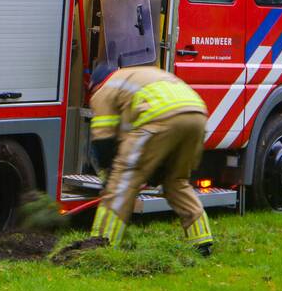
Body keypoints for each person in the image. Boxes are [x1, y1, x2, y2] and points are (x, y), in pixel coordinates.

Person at [88, 65, 214, 255]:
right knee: (176, 181)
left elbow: (103, 139)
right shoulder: (137, 76)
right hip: (196, 116)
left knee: (122, 181)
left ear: (94, 85)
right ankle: (201, 242)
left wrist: (109, 174)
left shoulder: (104, 89)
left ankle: (102, 244)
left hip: (158, 118)